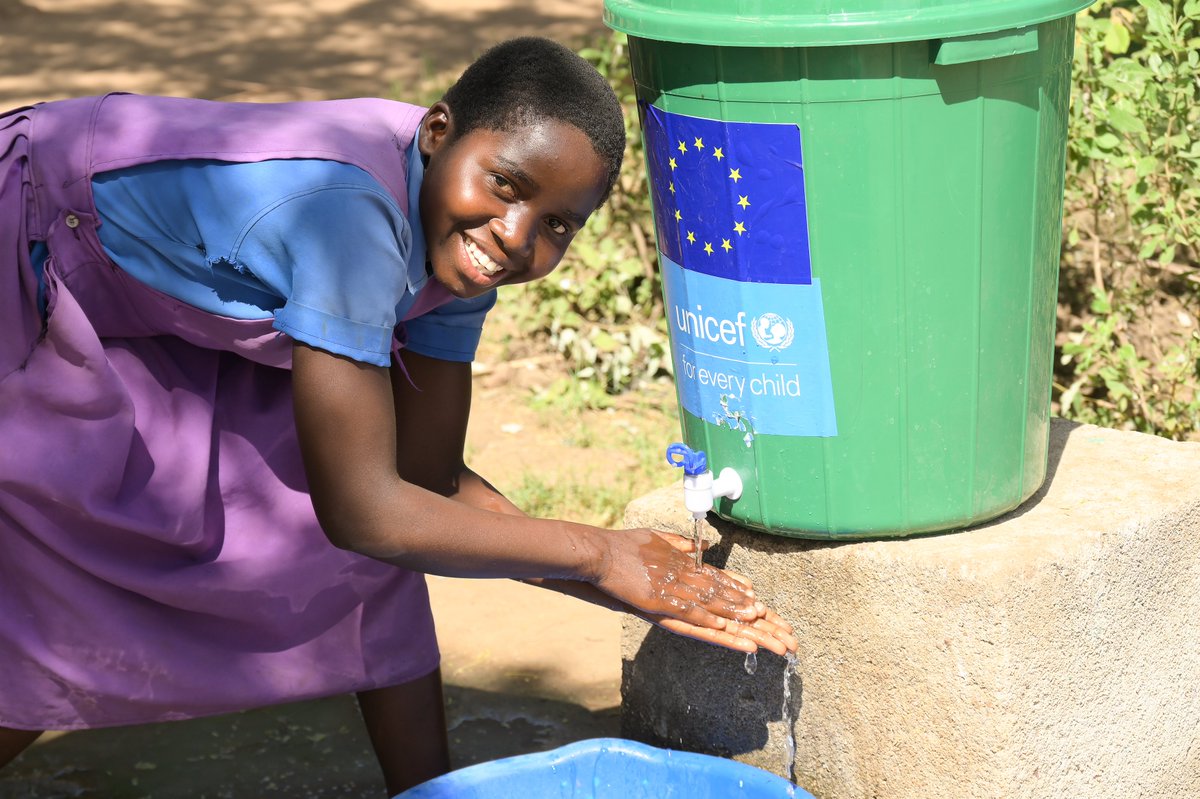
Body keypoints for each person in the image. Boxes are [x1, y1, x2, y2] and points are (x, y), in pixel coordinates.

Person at [0, 37, 797, 794]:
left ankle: (428, 791)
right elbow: (365, 512)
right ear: (437, 131)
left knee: (334, 515)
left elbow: (424, 480)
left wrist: (627, 577)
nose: (515, 238)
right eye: (507, 187)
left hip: (148, 304)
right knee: (57, 555)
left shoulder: (460, 255)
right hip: (28, 243)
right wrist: (595, 554)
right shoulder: (349, 221)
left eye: (557, 224)